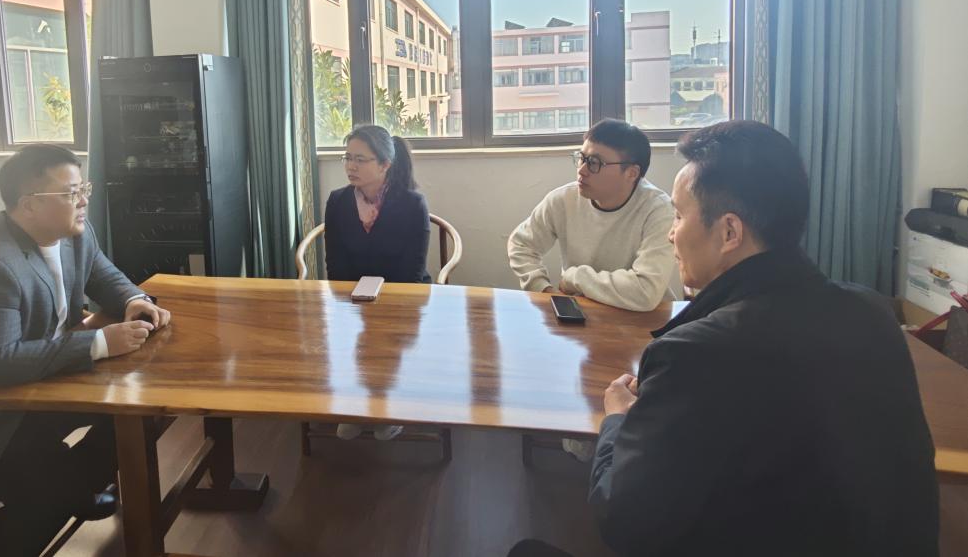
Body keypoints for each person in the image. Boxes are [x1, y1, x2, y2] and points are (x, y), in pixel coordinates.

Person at [512, 121, 939, 557]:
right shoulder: (873, 313)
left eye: (680, 216)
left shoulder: (695, 352)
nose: (671, 233)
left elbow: (622, 519)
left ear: (729, 232)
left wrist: (618, 420)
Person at [0, 144, 172, 557]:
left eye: (83, 188)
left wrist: (135, 300)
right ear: (29, 205)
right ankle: (3, 540)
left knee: (143, 412)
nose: (83, 201)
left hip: (33, 394)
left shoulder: (73, 235)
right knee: (57, 483)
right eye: (71, 193)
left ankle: (67, 491)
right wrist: (100, 342)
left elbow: (105, 276)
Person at [324, 124, 430, 441]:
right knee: (342, 335)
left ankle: (388, 409)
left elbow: (412, 272)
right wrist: (352, 306)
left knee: (384, 336)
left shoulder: (412, 204)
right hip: (352, 299)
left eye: (360, 159)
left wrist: (378, 309)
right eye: (347, 158)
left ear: (385, 164)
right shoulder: (338, 201)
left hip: (402, 300)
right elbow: (335, 264)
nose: (351, 166)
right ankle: (355, 408)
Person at [508, 119, 677, 312]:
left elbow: (645, 291)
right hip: (582, 312)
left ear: (632, 173)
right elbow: (521, 244)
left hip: (644, 319)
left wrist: (574, 278)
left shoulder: (659, 210)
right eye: (581, 158)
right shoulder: (563, 199)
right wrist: (543, 290)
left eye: (594, 163)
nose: (582, 170)